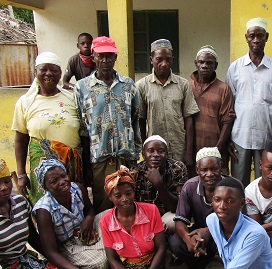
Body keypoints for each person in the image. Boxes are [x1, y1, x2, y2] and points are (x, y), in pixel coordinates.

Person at [91, 167, 175, 269]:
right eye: (118, 195)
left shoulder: (151, 211)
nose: (124, 199)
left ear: (134, 192)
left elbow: (161, 248)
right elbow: (113, 259)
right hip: (127, 268)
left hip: (153, 267)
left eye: (128, 193)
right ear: (110, 197)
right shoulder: (106, 221)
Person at [75, 36, 141, 213]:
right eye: (101, 55)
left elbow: (136, 121)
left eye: (109, 55)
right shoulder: (82, 87)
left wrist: (135, 156)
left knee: (127, 204)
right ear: (93, 57)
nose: (105, 60)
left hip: (126, 157)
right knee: (103, 207)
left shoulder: (128, 85)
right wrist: (86, 166)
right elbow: (83, 128)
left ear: (115, 58)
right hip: (100, 160)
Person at [13, 51, 83, 206]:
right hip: (42, 166)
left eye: (54, 70)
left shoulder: (72, 98)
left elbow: (83, 133)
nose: (48, 74)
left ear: (60, 74)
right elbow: (21, 140)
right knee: (45, 207)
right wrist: (21, 173)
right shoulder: (25, 102)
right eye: (44, 69)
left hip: (70, 165)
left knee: (73, 204)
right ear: (36, 72)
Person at [33, 159, 109, 269]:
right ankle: (97, 258)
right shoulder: (44, 211)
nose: (62, 182)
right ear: (45, 187)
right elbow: (51, 252)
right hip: (67, 245)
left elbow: (90, 209)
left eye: (63, 176)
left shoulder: (77, 188)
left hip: (85, 229)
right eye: (54, 181)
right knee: (101, 264)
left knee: (111, 214)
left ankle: (101, 250)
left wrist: (89, 219)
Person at [226, 17, 272, 188]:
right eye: (252, 36)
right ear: (246, 37)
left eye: (260, 36)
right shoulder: (235, 68)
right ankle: (239, 215)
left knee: (263, 183)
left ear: (267, 37)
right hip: (239, 137)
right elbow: (229, 106)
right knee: (238, 183)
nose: (256, 40)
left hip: (265, 137)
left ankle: (261, 214)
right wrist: (229, 138)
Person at [136, 39, 200, 171]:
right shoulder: (142, 86)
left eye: (168, 60)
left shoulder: (183, 84)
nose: (164, 64)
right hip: (154, 152)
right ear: (151, 59)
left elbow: (189, 119)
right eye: (159, 59)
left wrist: (188, 153)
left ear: (172, 60)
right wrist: (144, 150)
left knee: (179, 185)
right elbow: (141, 120)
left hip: (178, 148)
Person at [168, 147, 223, 269]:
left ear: (221, 167)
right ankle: (201, 257)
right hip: (198, 234)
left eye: (214, 169)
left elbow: (235, 220)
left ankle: (206, 260)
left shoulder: (231, 187)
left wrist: (208, 231)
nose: (209, 174)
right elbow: (180, 221)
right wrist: (188, 239)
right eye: (204, 170)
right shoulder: (189, 187)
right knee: (175, 242)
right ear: (197, 170)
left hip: (222, 231)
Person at [190, 45, 236, 172]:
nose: (205, 65)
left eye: (209, 63)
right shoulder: (187, 87)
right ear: (196, 64)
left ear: (215, 66)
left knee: (219, 188)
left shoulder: (224, 89)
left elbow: (228, 120)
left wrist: (217, 149)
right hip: (192, 152)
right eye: (201, 62)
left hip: (217, 152)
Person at [130, 135, 187, 233]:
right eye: (151, 151)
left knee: (174, 221)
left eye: (161, 151)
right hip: (143, 218)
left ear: (167, 154)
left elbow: (177, 207)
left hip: (166, 216)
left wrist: (159, 185)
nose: (156, 154)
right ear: (143, 154)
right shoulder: (135, 172)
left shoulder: (177, 168)